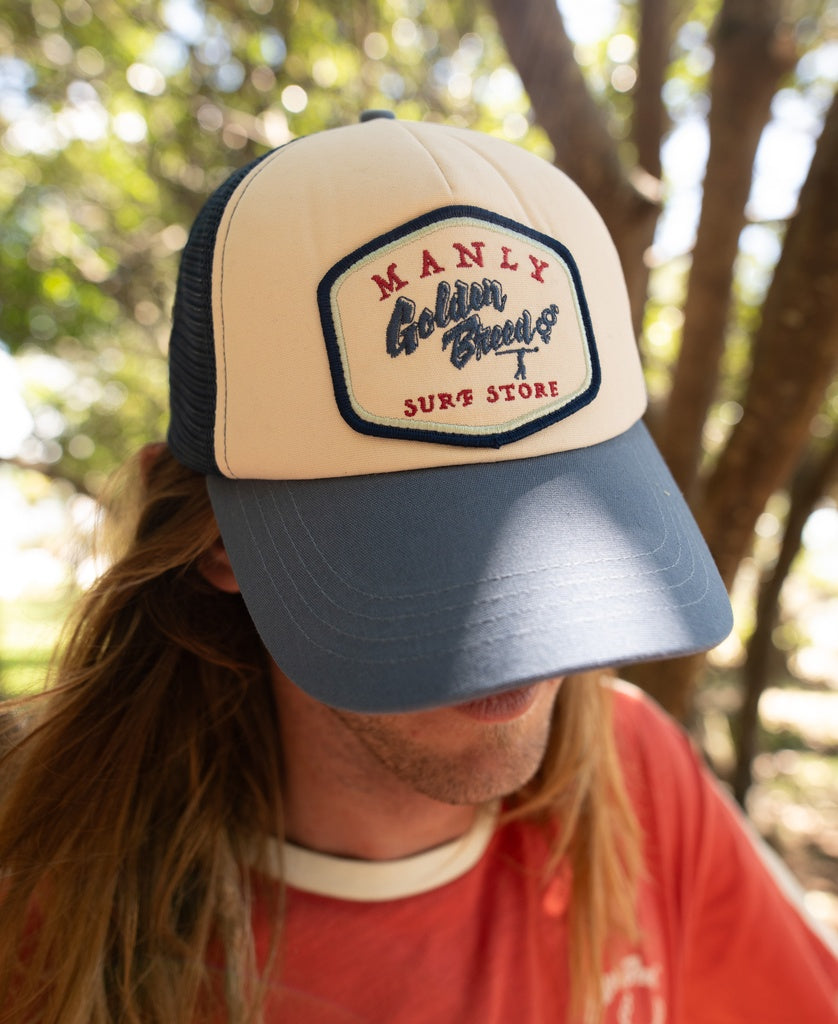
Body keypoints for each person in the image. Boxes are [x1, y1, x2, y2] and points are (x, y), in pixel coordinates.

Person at [0, 112, 835, 1024]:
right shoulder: (52, 911)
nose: (523, 647)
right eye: (424, 555)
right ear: (214, 540)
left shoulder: (638, 777)